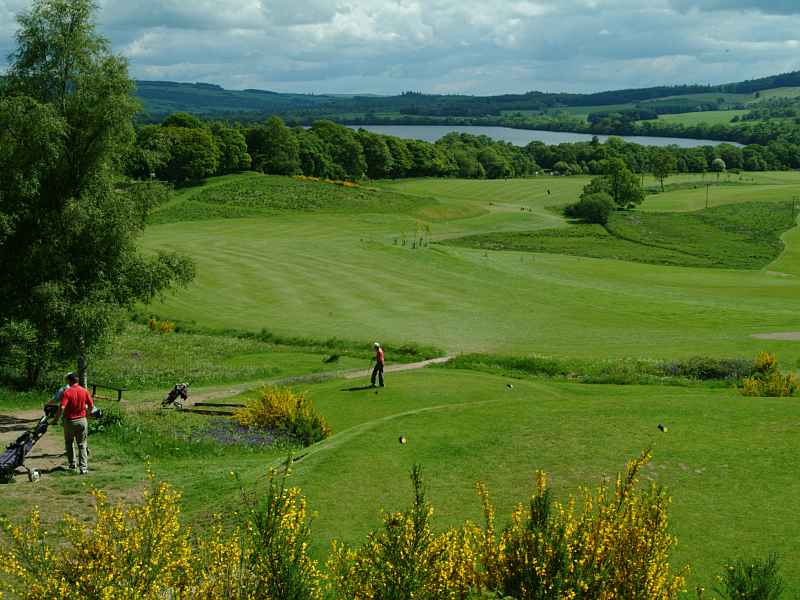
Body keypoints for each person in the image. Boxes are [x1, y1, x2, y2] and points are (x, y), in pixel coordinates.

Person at [56, 372, 94, 474]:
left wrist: (56, 418)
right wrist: (88, 415)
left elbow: (62, 407)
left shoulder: (67, 392)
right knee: (82, 444)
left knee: (69, 443)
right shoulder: (84, 391)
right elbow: (91, 406)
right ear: (77, 380)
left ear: (69, 381)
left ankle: (72, 465)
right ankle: (84, 468)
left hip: (69, 421)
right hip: (82, 420)